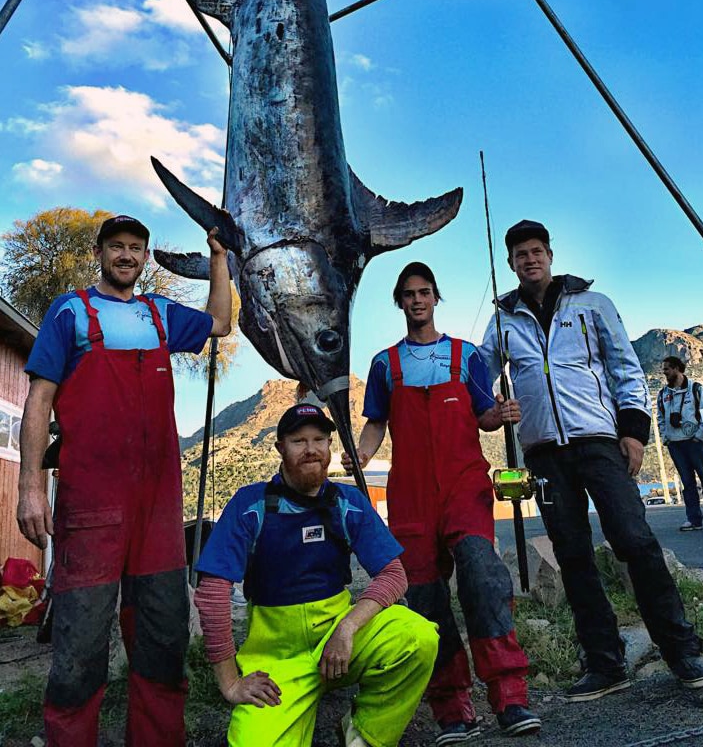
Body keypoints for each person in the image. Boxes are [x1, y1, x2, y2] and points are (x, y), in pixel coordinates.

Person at [17, 214, 232, 747]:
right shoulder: (71, 312)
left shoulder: (159, 314)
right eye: (117, 247)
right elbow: (40, 400)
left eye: (137, 248)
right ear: (100, 252)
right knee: (80, 646)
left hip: (158, 511)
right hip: (91, 508)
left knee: (162, 637)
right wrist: (27, 486)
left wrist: (221, 260)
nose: (128, 256)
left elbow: (221, 323)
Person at [480, 219, 703, 703]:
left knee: (636, 540)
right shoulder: (501, 320)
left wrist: (632, 433)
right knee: (573, 556)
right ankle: (606, 663)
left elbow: (625, 366)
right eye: (520, 253)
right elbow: (480, 373)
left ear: (550, 254)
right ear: (510, 262)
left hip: (600, 442)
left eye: (537, 250)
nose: (530, 259)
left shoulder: (592, 303)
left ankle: (681, 650)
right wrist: (492, 407)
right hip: (543, 451)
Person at [345, 262, 540, 744]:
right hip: (409, 495)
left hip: (463, 486)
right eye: (409, 294)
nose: (417, 300)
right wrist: (360, 454)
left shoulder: (466, 356)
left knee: (483, 576)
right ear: (399, 302)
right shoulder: (384, 364)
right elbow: (375, 423)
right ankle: (452, 707)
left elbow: (485, 416)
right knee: (425, 599)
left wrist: (503, 412)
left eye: (425, 292)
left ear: (436, 298)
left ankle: (510, 696)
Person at [193, 402, 438, 747]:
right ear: (280, 448)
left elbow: (394, 575)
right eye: (298, 441)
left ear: (329, 446)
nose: (311, 450)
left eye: (319, 439)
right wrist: (230, 682)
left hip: (340, 640)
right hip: (277, 660)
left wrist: (348, 626)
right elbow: (212, 592)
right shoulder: (252, 505)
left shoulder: (347, 501)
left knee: (418, 638)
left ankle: (363, 734)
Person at [657, 356, 703, 531]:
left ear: (677, 368)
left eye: (667, 369)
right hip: (676, 444)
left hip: (696, 443)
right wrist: (665, 436)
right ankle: (693, 519)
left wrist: (699, 436)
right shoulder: (663, 394)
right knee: (687, 482)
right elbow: (660, 417)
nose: (664, 373)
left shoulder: (696, 389)